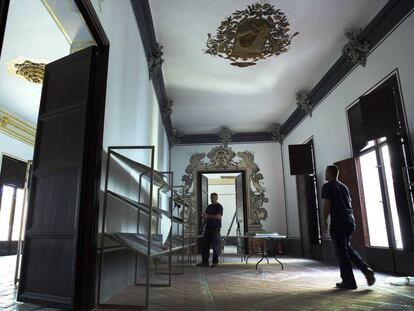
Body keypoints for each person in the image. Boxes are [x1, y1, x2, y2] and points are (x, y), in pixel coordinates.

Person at [322, 165, 375, 289]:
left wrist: (324, 220)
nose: (325, 174)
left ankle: (348, 281)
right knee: (347, 249)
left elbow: (327, 205)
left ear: (329, 173)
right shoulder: (343, 186)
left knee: (341, 252)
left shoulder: (327, 186)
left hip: (339, 222)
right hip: (350, 221)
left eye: (326, 172)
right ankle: (366, 270)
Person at [197, 193, 223, 267]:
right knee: (204, 245)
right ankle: (205, 262)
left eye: (214, 198)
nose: (212, 199)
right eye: (211, 198)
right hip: (207, 228)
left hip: (215, 229)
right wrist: (203, 217)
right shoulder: (209, 206)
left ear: (217, 198)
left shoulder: (219, 206)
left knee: (215, 246)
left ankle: (215, 262)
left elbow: (218, 216)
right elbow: (206, 217)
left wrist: (207, 216)